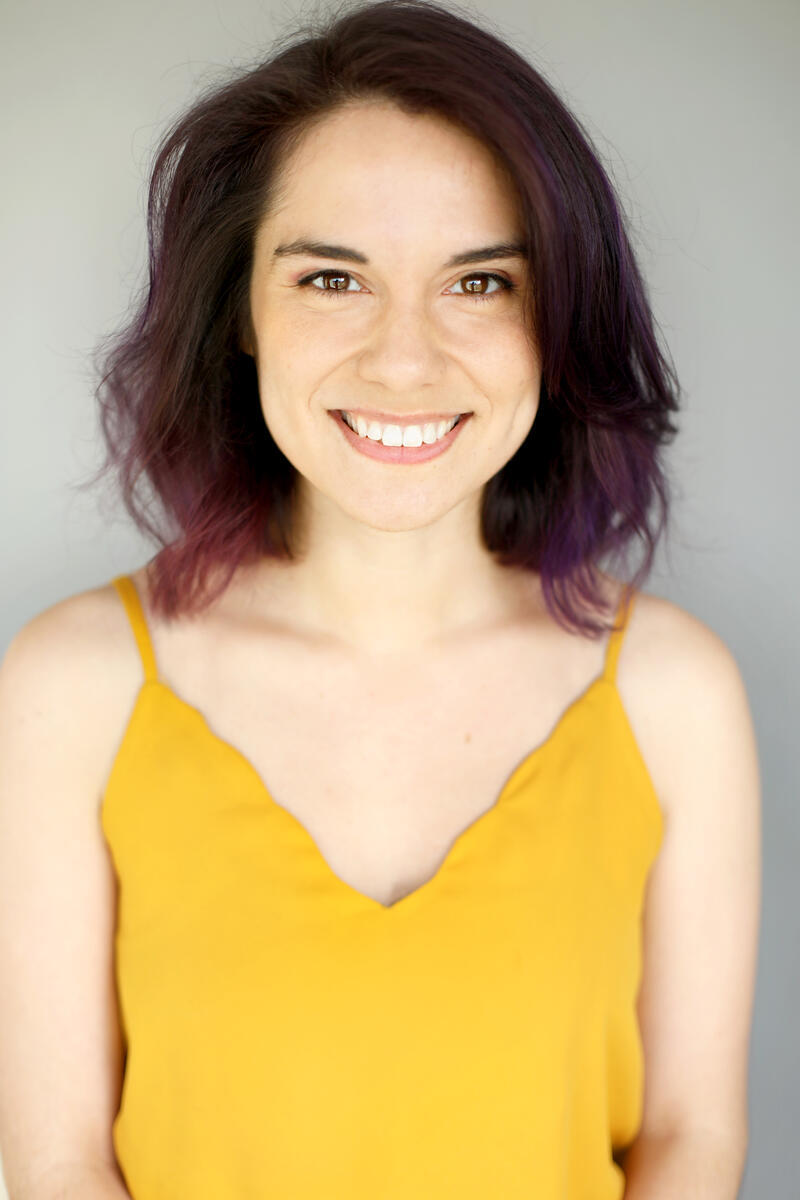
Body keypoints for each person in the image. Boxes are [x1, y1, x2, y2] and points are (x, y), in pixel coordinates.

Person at [0, 1, 760, 1197]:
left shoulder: (672, 692)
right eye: (332, 277)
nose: (403, 359)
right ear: (238, 313)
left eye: (478, 281)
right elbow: (54, 1163)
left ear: (556, 324)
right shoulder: (74, 684)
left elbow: (688, 1139)